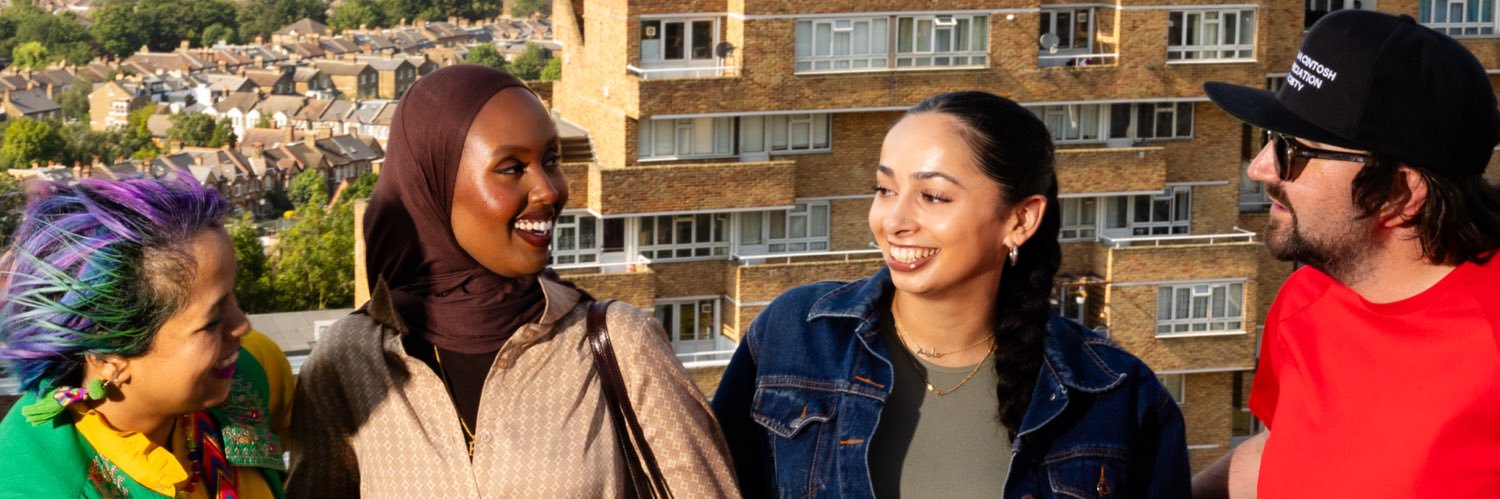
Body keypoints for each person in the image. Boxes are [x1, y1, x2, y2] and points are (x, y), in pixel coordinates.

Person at [286, 65, 738, 497]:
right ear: (434, 186)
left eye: (551, 160)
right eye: (511, 168)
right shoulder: (348, 363)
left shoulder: (621, 345)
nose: (549, 190)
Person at [712, 91, 1191, 498]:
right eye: (884, 188)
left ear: (1020, 219)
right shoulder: (796, 335)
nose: (894, 220)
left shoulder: (1114, 394)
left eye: (934, 196)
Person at [1194, 10, 1500, 498]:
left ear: (1399, 194)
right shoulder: (1304, 297)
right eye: (1269, 141)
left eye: (1293, 152)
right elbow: (1286, 447)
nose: (1259, 169)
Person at [0, 176, 293, 498]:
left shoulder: (254, 369)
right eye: (212, 322)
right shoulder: (35, 485)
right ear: (107, 356)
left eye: (232, 296)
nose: (242, 326)